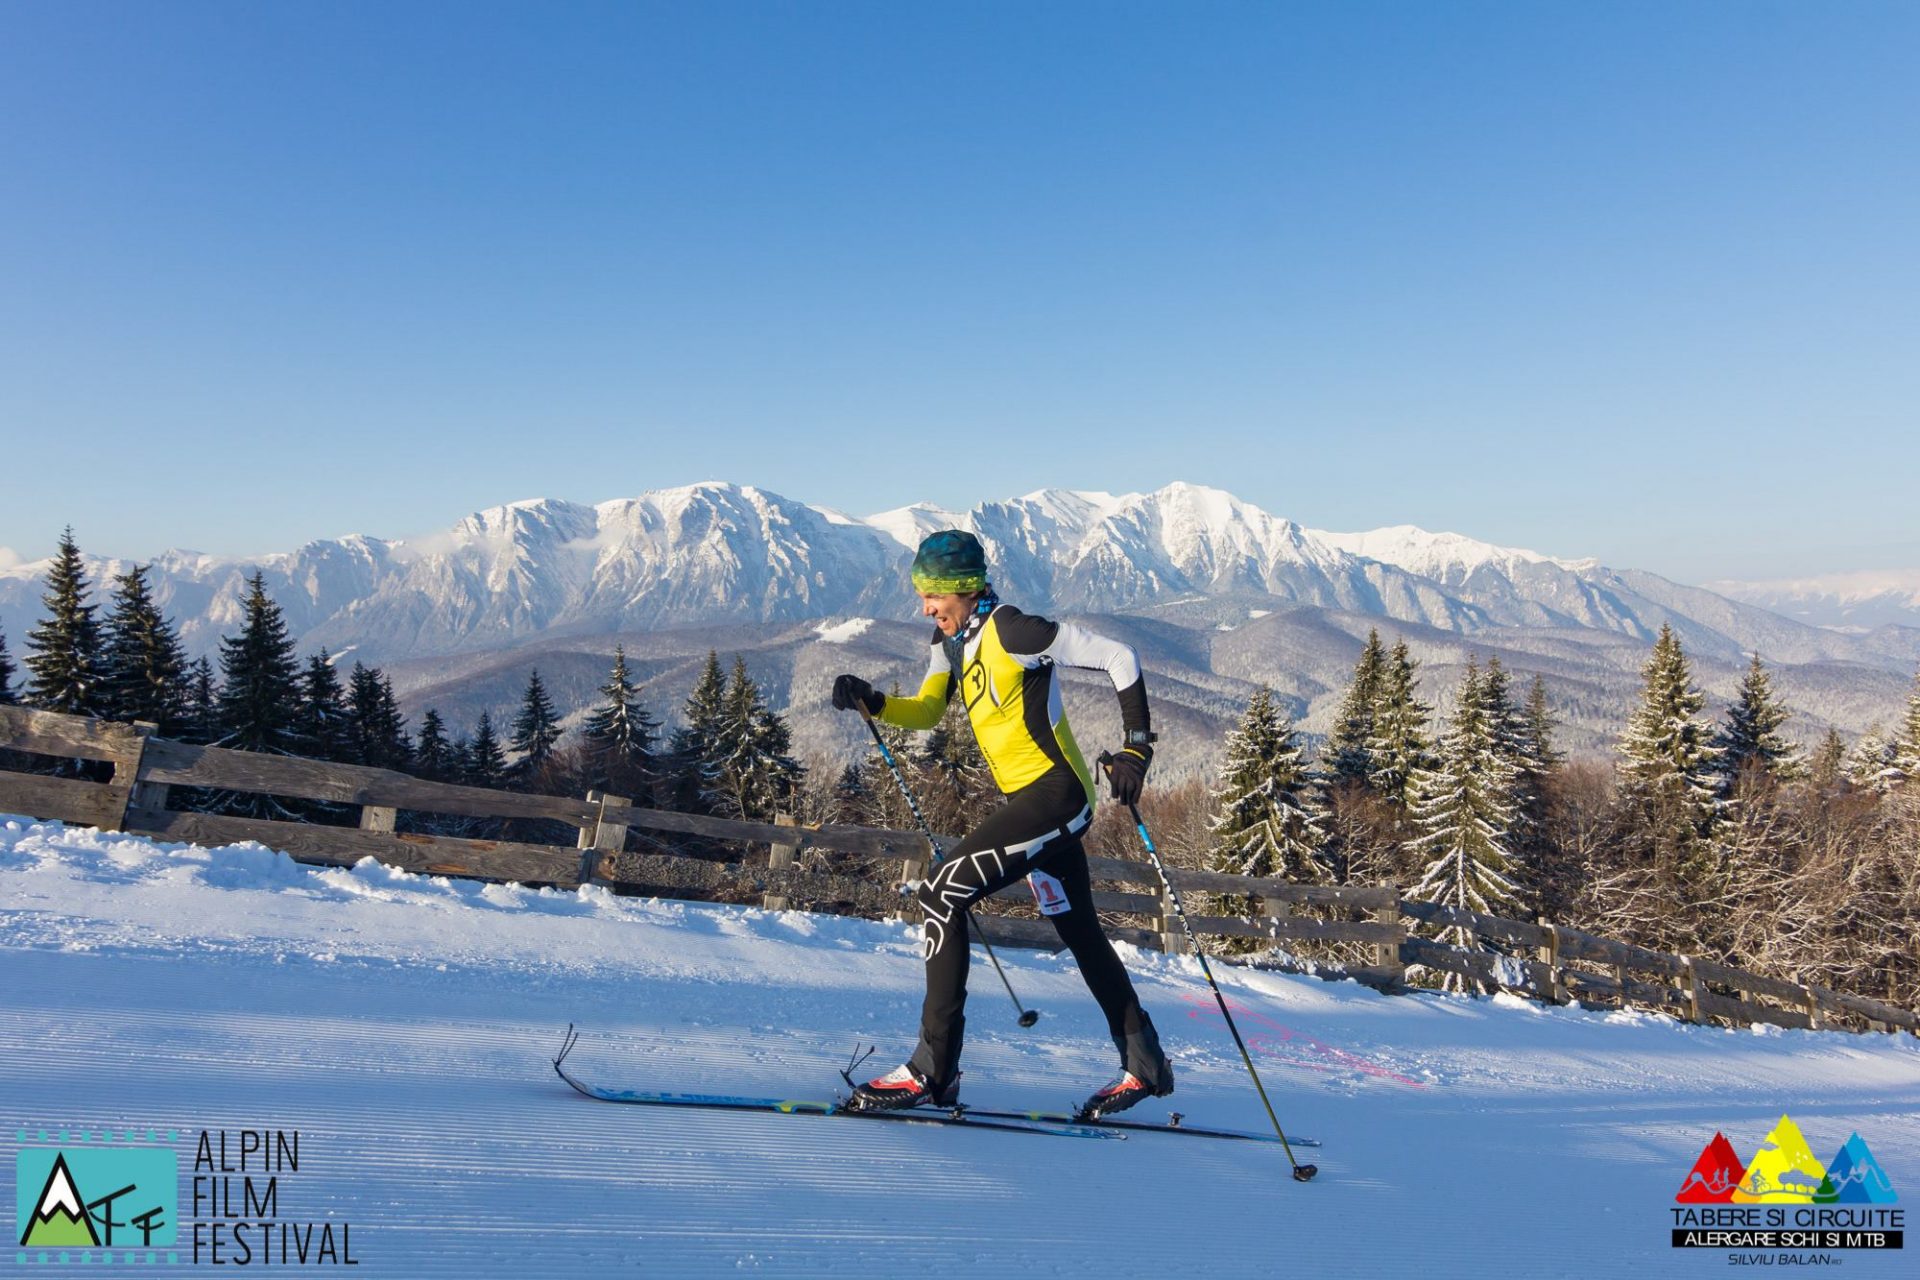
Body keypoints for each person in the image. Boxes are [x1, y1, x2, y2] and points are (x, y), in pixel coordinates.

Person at [831, 529, 1173, 1119]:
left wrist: (1137, 749)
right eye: (921, 595)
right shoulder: (953, 645)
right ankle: (1144, 1064)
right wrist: (875, 702)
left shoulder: (1012, 631)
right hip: (1032, 804)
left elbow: (1121, 657)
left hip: (1058, 797)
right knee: (1080, 932)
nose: (925, 607)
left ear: (964, 589)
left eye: (933, 595)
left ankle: (933, 1070)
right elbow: (929, 711)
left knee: (942, 895)